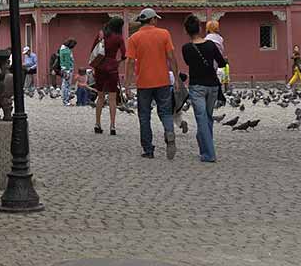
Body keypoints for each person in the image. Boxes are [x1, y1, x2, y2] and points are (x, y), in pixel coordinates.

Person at [124, 8, 178, 160]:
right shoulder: (164, 34)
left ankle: (148, 149)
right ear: (152, 19)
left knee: (144, 116)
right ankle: (169, 132)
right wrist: (176, 78)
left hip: (143, 83)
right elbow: (171, 57)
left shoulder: (134, 38)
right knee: (166, 112)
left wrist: (127, 84)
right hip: (163, 81)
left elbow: (129, 62)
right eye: (156, 19)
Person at [182, 14, 226, 163]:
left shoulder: (186, 48)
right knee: (207, 118)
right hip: (212, 86)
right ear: (200, 29)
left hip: (197, 86)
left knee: (202, 119)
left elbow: (189, 63)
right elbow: (221, 63)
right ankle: (204, 148)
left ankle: (209, 153)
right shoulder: (211, 45)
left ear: (186, 31)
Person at [92, 17, 125, 135]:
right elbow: (124, 54)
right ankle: (112, 126)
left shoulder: (101, 34)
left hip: (100, 67)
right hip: (112, 69)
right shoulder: (119, 38)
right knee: (112, 98)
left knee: (100, 97)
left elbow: (93, 50)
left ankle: (97, 124)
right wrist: (118, 62)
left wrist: (94, 66)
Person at [59, 38, 77, 106]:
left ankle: (65, 100)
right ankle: (66, 101)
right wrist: (68, 71)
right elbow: (67, 62)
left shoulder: (62, 49)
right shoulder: (67, 51)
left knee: (64, 85)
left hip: (63, 69)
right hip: (67, 70)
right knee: (67, 85)